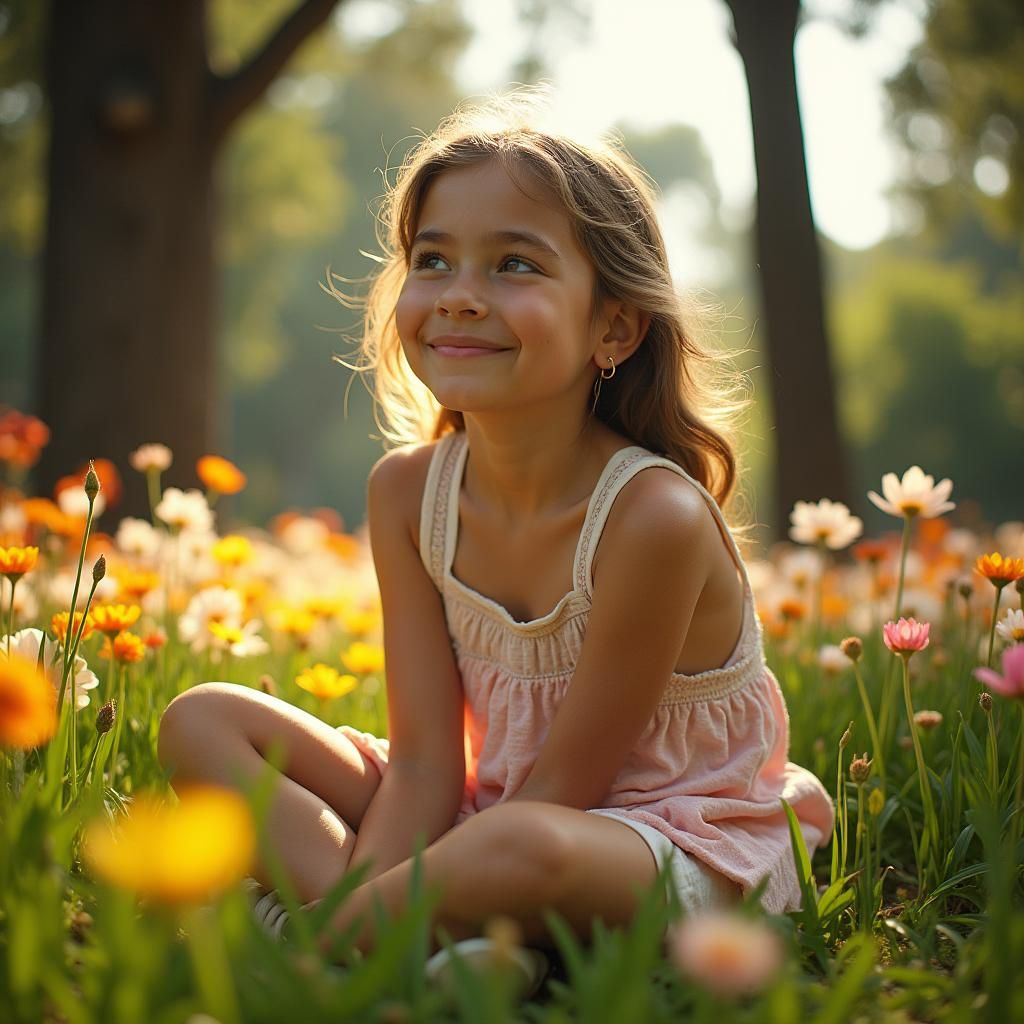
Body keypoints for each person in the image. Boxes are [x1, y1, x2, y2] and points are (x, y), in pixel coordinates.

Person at [157, 95, 834, 976]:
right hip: (484, 806)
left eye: (515, 265)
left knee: (521, 851)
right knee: (202, 720)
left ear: (614, 327)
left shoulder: (650, 518)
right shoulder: (407, 493)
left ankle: (317, 946)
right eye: (433, 260)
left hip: (659, 836)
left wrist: (377, 896)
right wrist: (383, 875)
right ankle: (447, 944)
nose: (461, 298)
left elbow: (562, 799)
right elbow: (428, 768)